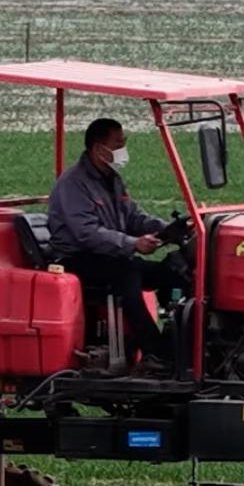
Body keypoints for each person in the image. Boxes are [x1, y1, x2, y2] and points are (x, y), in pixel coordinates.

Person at [44, 117, 184, 366]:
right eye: (118, 144)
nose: (123, 149)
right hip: (76, 258)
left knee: (173, 272)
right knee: (126, 271)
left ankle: (181, 339)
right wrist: (132, 244)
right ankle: (155, 352)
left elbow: (133, 216)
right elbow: (86, 233)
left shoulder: (112, 178)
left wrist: (168, 229)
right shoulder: (73, 185)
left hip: (109, 256)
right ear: (99, 149)